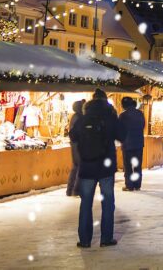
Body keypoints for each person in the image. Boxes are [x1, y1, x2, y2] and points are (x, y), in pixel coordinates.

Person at [70, 89, 119, 248]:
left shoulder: (83, 118)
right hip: (106, 168)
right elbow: (122, 134)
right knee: (107, 203)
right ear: (105, 101)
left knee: (86, 204)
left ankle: (84, 240)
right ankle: (106, 239)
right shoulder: (110, 117)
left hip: (87, 167)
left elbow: (73, 136)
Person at [118, 97, 146, 190]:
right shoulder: (140, 113)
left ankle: (129, 185)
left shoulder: (123, 115)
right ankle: (137, 185)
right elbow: (143, 126)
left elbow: (120, 129)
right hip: (139, 143)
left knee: (128, 166)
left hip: (127, 144)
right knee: (138, 165)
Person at [66, 99, 85, 197]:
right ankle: (76, 190)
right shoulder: (79, 117)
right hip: (78, 144)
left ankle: (70, 190)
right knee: (80, 166)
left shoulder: (75, 116)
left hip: (74, 144)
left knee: (75, 166)